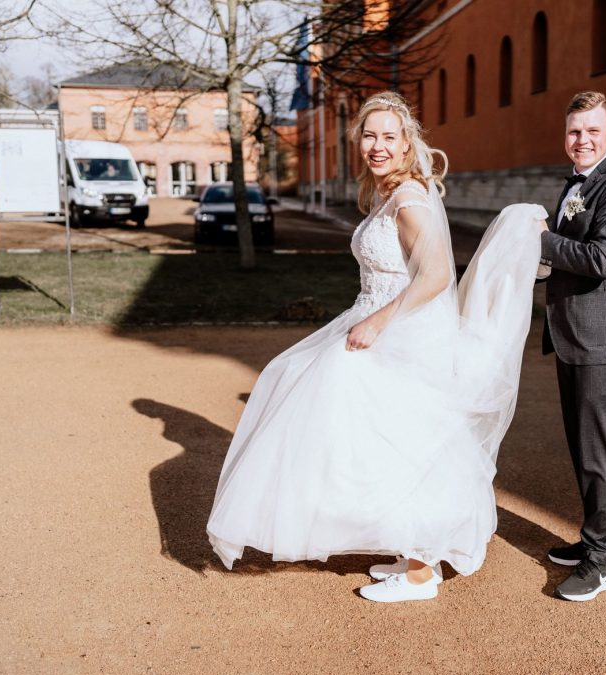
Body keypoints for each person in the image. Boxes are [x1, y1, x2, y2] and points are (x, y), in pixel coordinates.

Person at [206, 92, 545, 603]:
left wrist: (380, 323)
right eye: (369, 135)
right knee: (379, 438)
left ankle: (420, 571)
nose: (378, 145)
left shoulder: (407, 198)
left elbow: (435, 276)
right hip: (380, 321)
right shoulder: (390, 193)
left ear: (406, 142)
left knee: (402, 443)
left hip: (401, 332)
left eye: (389, 136)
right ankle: (410, 550)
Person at [538, 91, 606, 602]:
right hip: (573, 335)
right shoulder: (577, 182)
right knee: (585, 450)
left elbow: (603, 259)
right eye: (574, 131)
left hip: (604, 341)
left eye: (591, 130)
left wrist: (539, 239)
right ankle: (595, 541)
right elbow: (569, 253)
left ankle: (605, 560)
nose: (581, 140)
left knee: (603, 454)